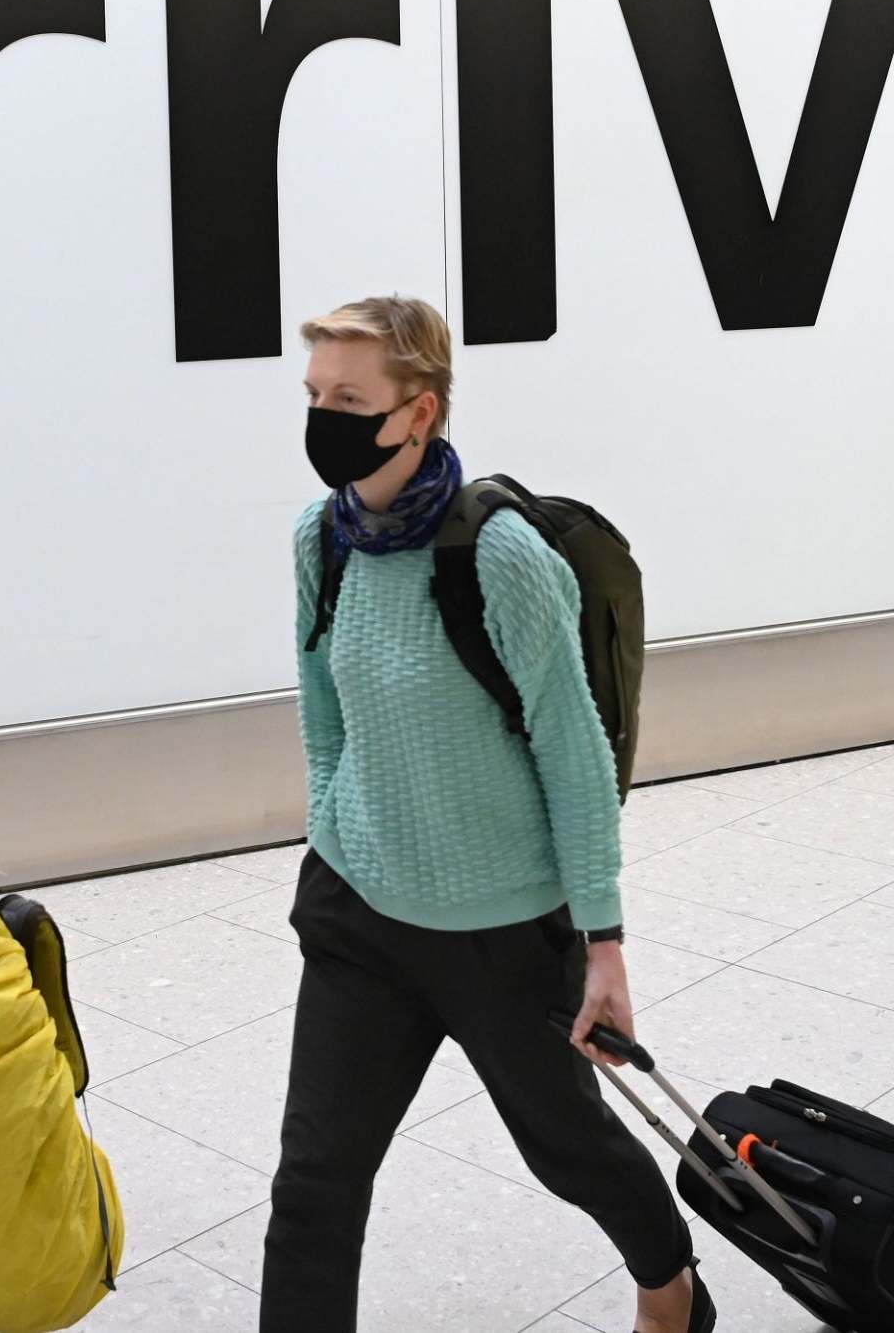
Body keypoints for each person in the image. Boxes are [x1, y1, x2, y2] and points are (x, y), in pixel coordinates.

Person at [262, 297, 712, 1333]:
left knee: (570, 1148)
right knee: (314, 1178)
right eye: (313, 395)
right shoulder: (317, 539)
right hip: (359, 910)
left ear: (417, 412)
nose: (322, 417)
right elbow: (319, 706)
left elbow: (572, 748)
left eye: (348, 398)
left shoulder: (498, 554)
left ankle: (670, 1284)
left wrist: (601, 939)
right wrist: (339, 822)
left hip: (499, 924)